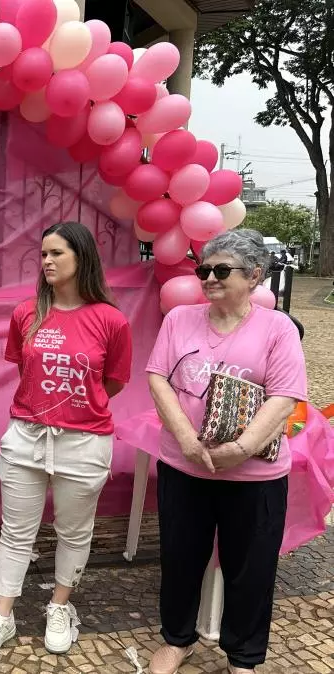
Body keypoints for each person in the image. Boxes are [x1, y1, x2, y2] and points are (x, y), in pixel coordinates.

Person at [145, 228, 307, 674]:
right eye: (203, 270)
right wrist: (184, 438)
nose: (209, 278)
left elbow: (286, 395)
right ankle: (177, 639)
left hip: (252, 477)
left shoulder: (277, 329)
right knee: (179, 559)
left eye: (221, 270)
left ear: (254, 275)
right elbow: (158, 376)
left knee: (250, 570)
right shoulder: (179, 319)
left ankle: (244, 657)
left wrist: (241, 448)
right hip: (184, 467)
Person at [0, 221, 132, 662]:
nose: (46, 262)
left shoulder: (111, 320)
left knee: (74, 532)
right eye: (43, 254)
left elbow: (112, 382)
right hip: (26, 436)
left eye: (56, 253)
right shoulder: (27, 313)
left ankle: (60, 606)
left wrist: (75, 408)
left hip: (85, 442)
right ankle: (2, 616)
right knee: (15, 531)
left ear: (82, 257)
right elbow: (28, 373)